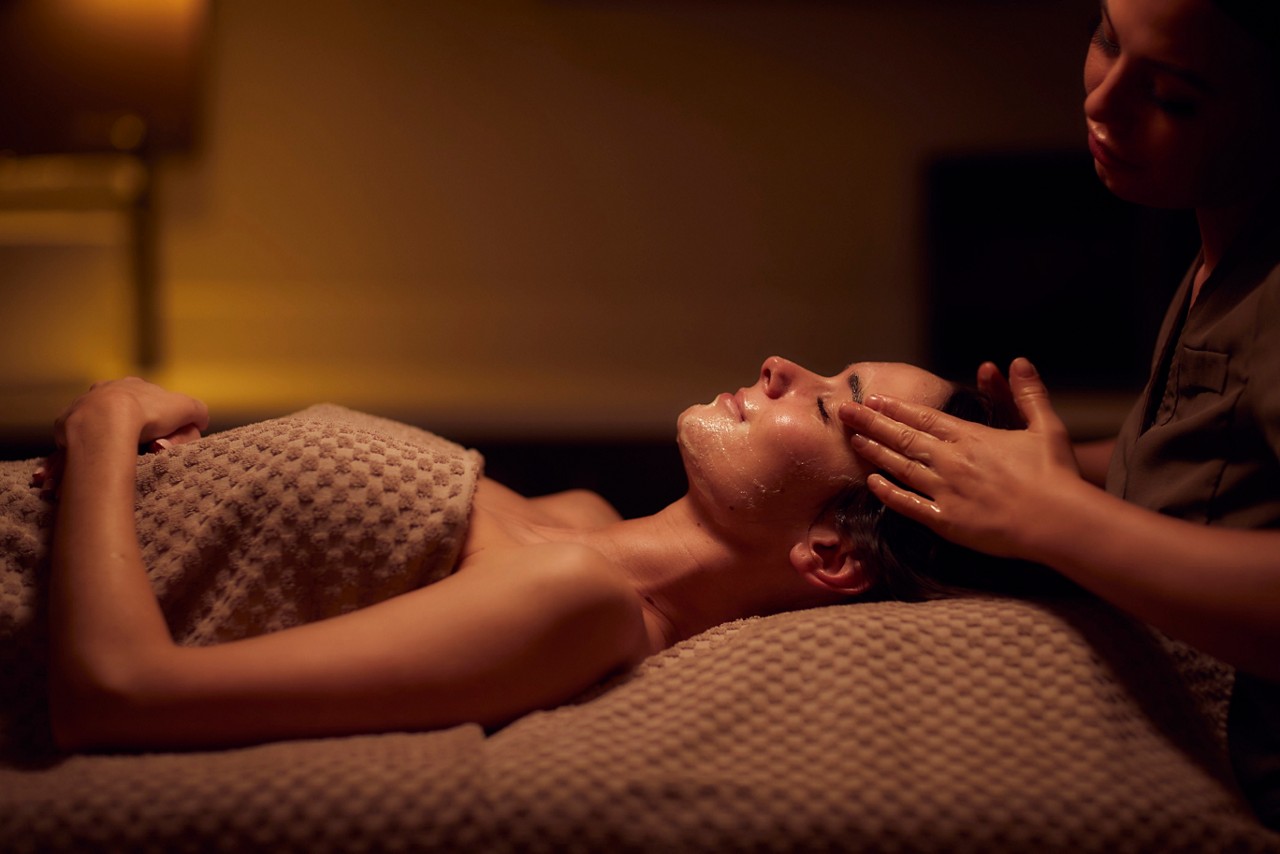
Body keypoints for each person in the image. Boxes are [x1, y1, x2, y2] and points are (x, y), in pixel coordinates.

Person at [35, 356, 1008, 753]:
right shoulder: (575, 517)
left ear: (829, 553)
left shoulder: (578, 600)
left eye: (832, 403)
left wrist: (104, 425)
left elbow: (116, 694)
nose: (782, 366)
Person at [836, 0, 1280, 829]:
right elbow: (1215, 454)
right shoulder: (1221, 243)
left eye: (1172, 96)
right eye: (1105, 37)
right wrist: (1027, 463)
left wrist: (1048, 514)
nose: (1101, 101)